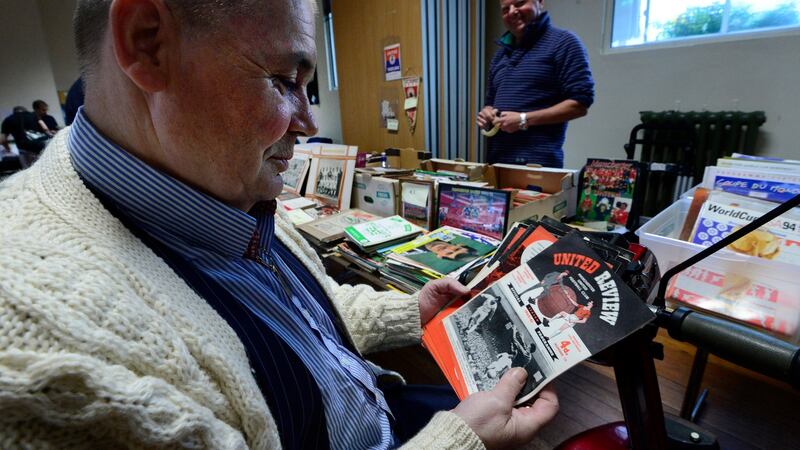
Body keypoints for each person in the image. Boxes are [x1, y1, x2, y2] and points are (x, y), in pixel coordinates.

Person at [0, 1, 558, 448]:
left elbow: (292, 320)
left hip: (382, 406)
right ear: (148, 42)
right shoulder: (46, 360)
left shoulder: (212, 179)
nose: (308, 122)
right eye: (285, 79)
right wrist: (459, 442)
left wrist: (410, 310)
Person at [476, 0, 594, 168]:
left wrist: (524, 120)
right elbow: (490, 103)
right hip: (497, 165)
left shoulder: (565, 43)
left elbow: (580, 104)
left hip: (538, 168)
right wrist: (486, 113)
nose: (512, 12)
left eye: (519, 3)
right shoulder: (500, 56)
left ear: (540, 2)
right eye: (505, 9)